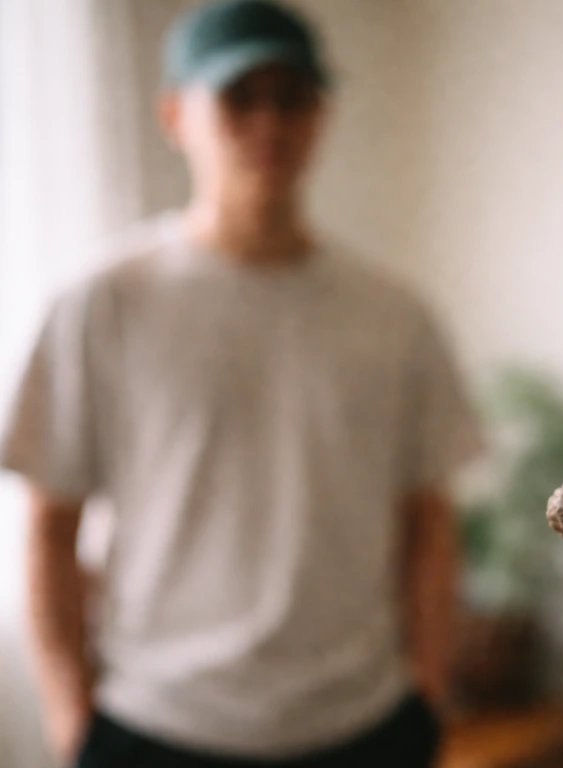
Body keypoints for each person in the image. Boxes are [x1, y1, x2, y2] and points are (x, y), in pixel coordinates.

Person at [0, 1, 484, 766]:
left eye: (291, 96)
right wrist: (72, 723)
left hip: (363, 724)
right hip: (156, 726)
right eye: (238, 96)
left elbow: (428, 524)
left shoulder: (396, 316)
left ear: (321, 115)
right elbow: (50, 530)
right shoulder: (103, 304)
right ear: (174, 115)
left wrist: (427, 697)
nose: (269, 122)